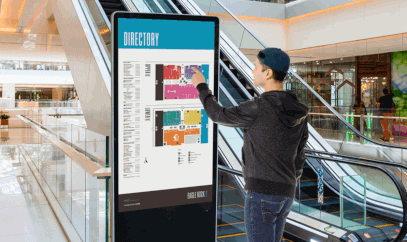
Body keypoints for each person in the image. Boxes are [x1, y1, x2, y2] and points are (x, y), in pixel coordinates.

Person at [191, 48, 309, 242]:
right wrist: (289, 180)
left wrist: (202, 87)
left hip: (261, 193)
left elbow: (218, 114)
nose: (253, 72)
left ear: (268, 73)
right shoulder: (299, 110)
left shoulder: (260, 106)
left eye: (256, 67)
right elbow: (300, 154)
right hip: (287, 193)